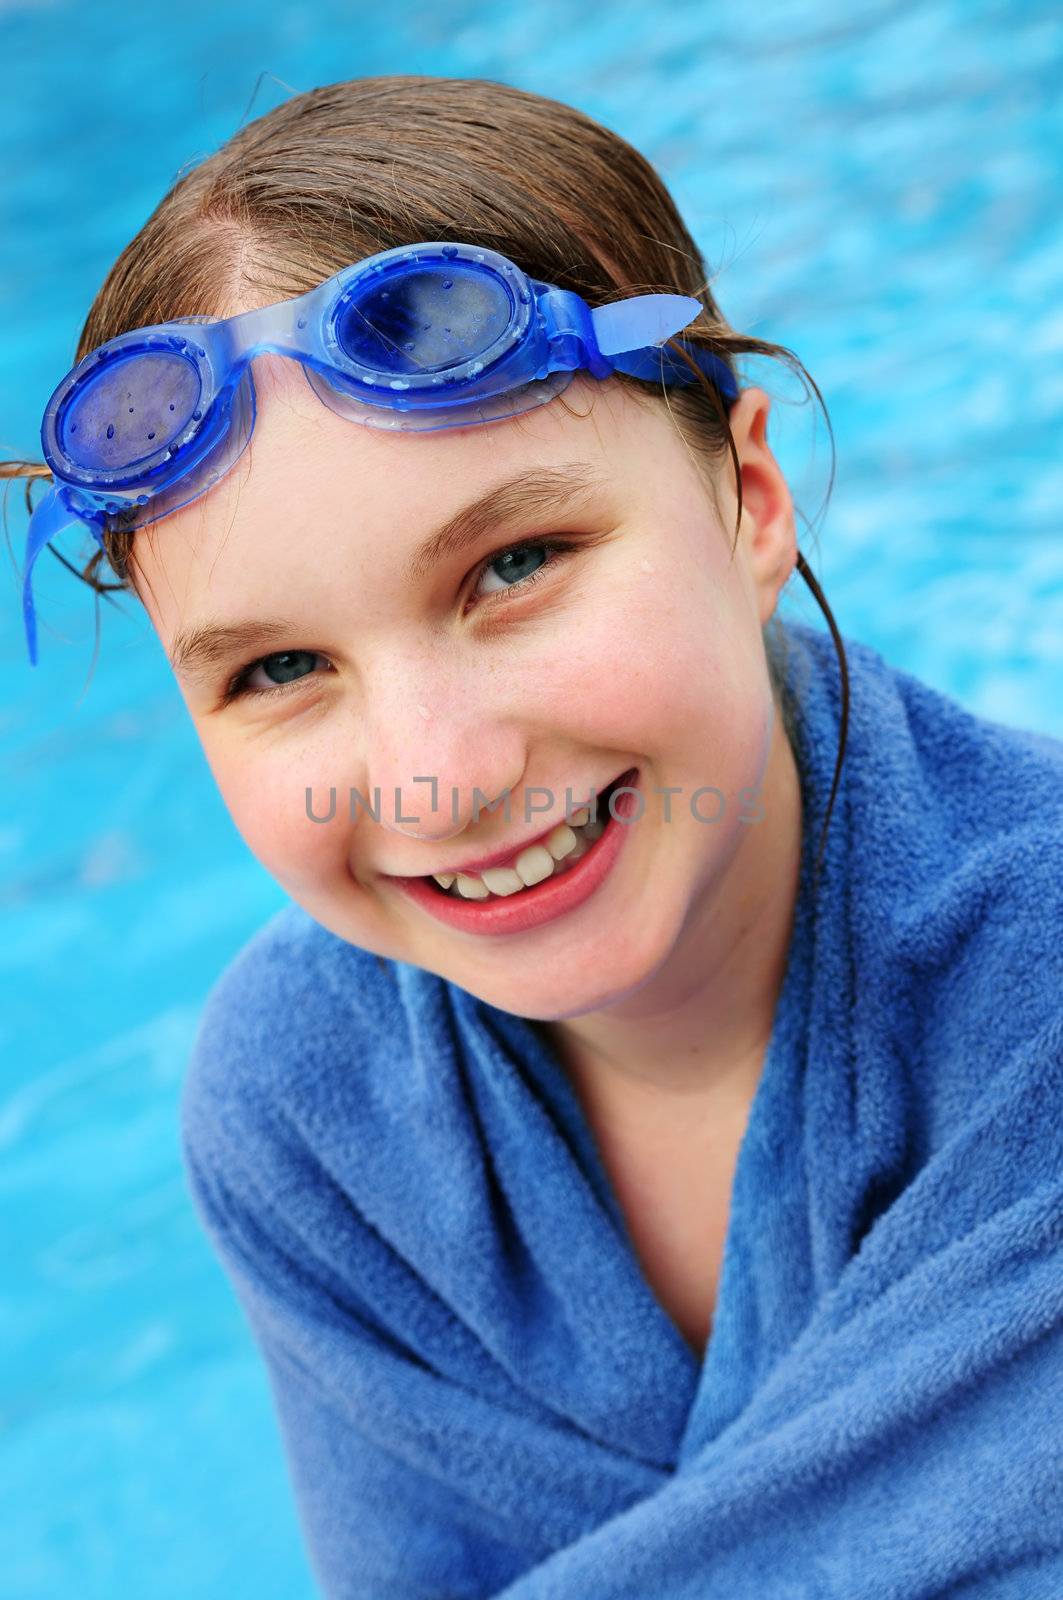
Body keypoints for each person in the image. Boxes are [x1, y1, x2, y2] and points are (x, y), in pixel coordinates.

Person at [7, 74, 1062, 1600]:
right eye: (280, 670)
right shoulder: (309, 1110)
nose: (437, 782)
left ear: (753, 502)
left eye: (515, 565)